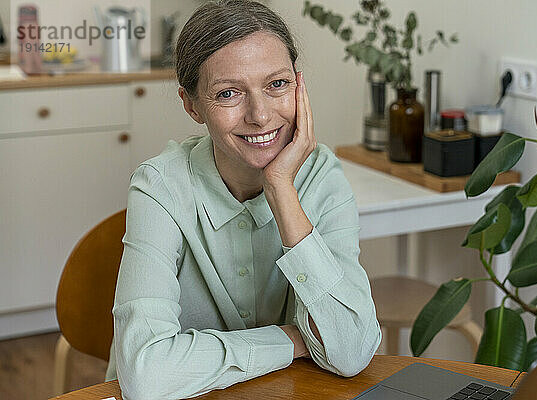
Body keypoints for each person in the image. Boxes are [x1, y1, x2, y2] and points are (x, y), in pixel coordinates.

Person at [104, 0, 382, 398]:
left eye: (277, 85)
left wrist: (281, 187)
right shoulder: (160, 186)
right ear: (192, 105)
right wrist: (294, 340)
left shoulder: (322, 177)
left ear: (299, 86)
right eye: (229, 93)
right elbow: (148, 376)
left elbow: (351, 351)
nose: (261, 115)